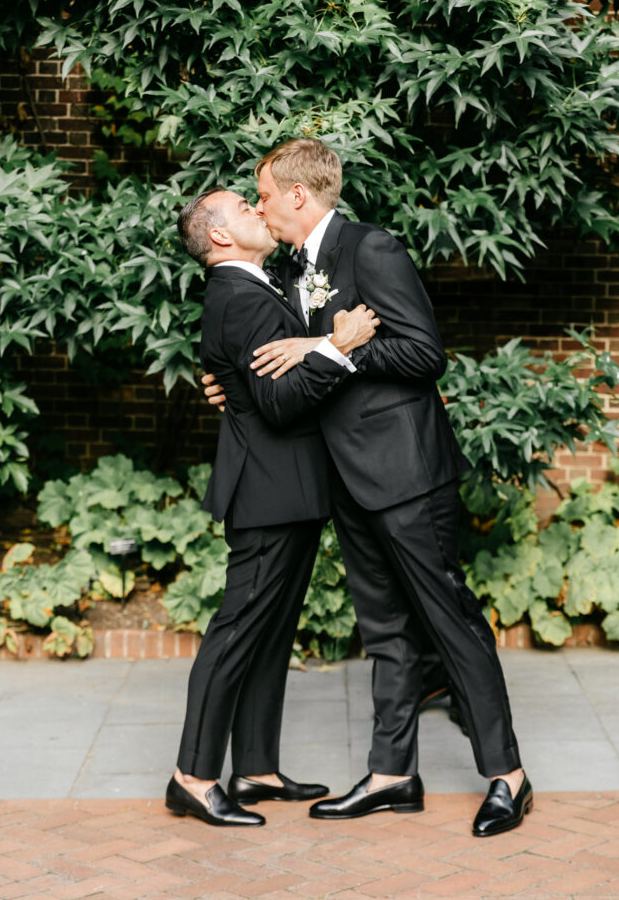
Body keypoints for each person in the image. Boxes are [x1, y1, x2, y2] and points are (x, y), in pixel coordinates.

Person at [204, 139, 532, 837]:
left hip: (406, 474)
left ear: (297, 195)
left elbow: (422, 352)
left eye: (262, 193)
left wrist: (336, 350)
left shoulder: (369, 248)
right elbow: (281, 356)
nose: (258, 205)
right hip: (344, 478)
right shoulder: (294, 267)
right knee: (382, 628)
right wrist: (234, 380)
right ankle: (392, 775)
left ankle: (507, 775)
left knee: (449, 619)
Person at [167, 186, 379, 827]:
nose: (261, 212)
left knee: (269, 634)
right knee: (236, 633)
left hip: (287, 488)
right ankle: (193, 776)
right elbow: (280, 403)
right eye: (245, 209)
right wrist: (339, 348)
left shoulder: (259, 286)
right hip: (267, 491)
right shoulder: (239, 299)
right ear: (222, 237)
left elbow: (253, 383)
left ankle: (255, 767)